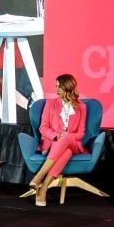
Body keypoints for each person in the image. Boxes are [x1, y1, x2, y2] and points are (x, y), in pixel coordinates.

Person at [27, 74, 87, 207]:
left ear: (68, 87)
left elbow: (81, 133)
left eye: (60, 87)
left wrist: (65, 137)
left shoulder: (81, 107)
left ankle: (39, 176)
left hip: (74, 144)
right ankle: (43, 189)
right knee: (67, 152)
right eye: (56, 86)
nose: (57, 89)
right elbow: (43, 127)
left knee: (67, 140)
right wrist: (56, 136)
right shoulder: (50, 104)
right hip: (53, 144)